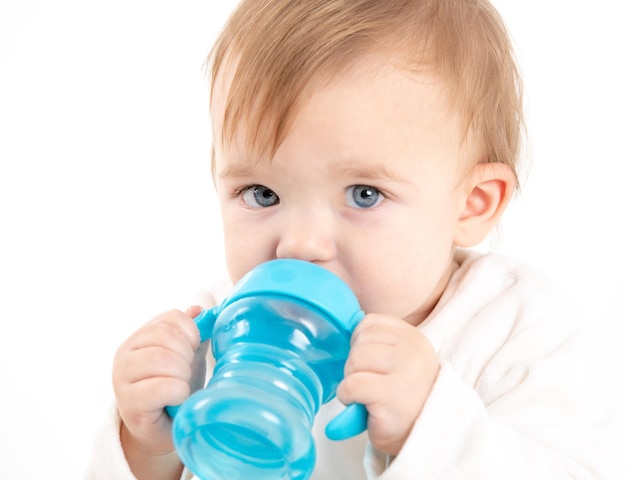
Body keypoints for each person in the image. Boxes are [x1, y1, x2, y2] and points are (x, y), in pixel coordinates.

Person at [86, 0, 620, 478]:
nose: (297, 245)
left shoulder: (516, 328)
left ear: (471, 203)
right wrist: (146, 450)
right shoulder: (215, 334)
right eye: (262, 194)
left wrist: (429, 426)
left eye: (364, 194)